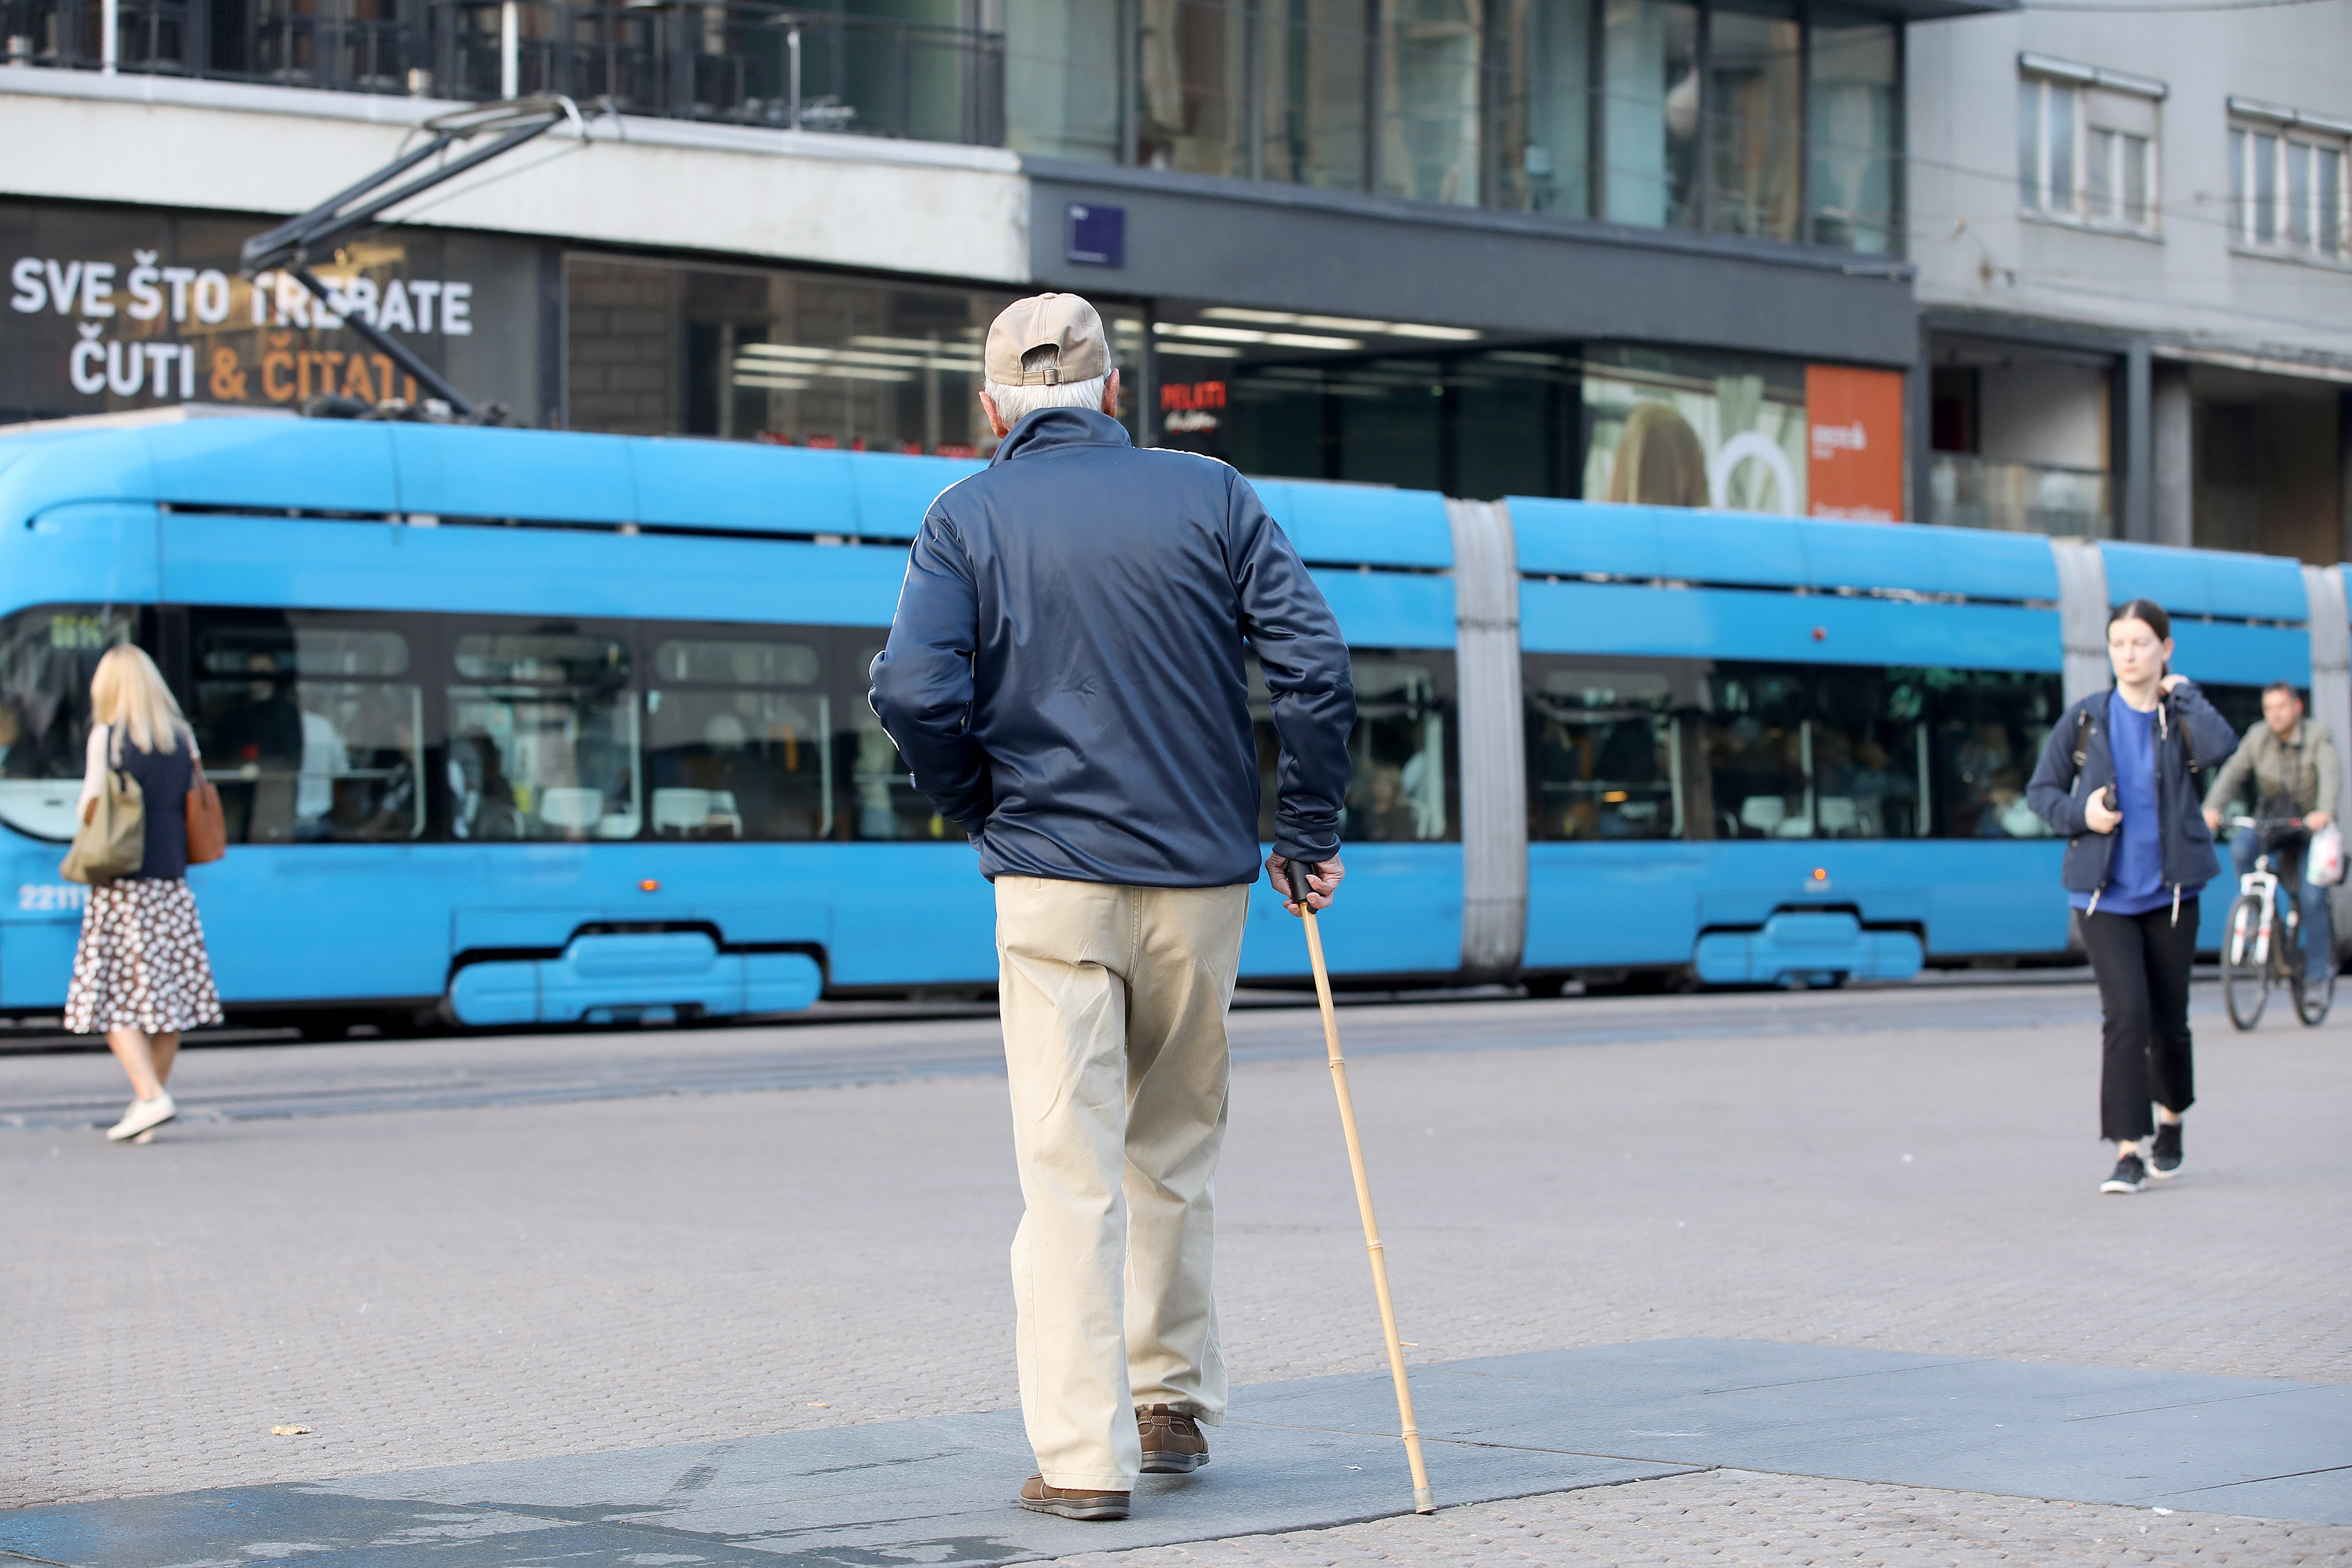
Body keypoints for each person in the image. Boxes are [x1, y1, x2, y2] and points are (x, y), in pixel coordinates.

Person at [869, 293, 1354, 1522]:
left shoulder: (962, 517)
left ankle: (1083, 1459)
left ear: (991, 405)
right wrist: (1302, 832)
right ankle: (1170, 1401)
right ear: (1116, 394)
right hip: (1200, 882)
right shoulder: (1213, 494)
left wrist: (977, 801)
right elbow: (1312, 668)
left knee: (1065, 1169)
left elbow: (917, 692)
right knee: (1174, 1147)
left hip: (1049, 884)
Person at [2026, 600, 2237, 1196]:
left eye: (2140, 642)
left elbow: (2223, 748)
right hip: (2104, 898)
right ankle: (2126, 1150)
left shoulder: (2180, 715)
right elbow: (2040, 792)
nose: (2127, 653)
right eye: (2118, 642)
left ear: (2164, 649)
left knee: (2170, 1022)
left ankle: (2170, 1120)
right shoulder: (2087, 718)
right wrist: (2081, 814)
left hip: (2171, 894)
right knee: (2125, 1019)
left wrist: (2186, 692)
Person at [64, 645, 226, 1144]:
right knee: (168, 1003)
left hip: (121, 888)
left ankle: (151, 1097)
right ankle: (147, 1103)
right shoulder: (183, 737)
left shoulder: (107, 738)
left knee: (114, 1004)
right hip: (171, 886)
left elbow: (89, 808)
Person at [2201, 681, 2339, 991]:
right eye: (2269, 709)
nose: (2274, 715)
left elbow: (2330, 776)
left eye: (2281, 707)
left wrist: (2324, 812)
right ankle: (2257, 906)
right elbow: (2233, 773)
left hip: (2308, 829)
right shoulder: (2257, 737)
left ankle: (2318, 976)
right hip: (2271, 823)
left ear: (2297, 707)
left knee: (2312, 897)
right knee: (2240, 847)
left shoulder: (2318, 737)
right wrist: (2211, 808)